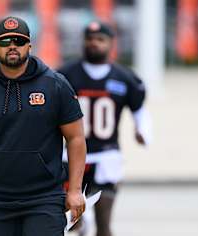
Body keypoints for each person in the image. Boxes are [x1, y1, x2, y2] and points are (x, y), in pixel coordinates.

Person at [0, 16, 87, 236]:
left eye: (19, 40)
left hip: (45, 199)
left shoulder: (55, 85)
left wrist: (74, 190)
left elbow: (76, 138)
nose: (13, 46)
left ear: (29, 46)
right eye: (5, 42)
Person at [59, 21, 151, 236]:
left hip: (107, 155)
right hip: (71, 156)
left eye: (100, 40)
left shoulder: (125, 78)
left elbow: (139, 110)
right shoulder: (65, 75)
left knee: (105, 223)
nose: (94, 44)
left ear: (111, 43)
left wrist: (143, 132)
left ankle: (90, 221)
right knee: (67, 220)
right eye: (90, 39)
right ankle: (82, 223)